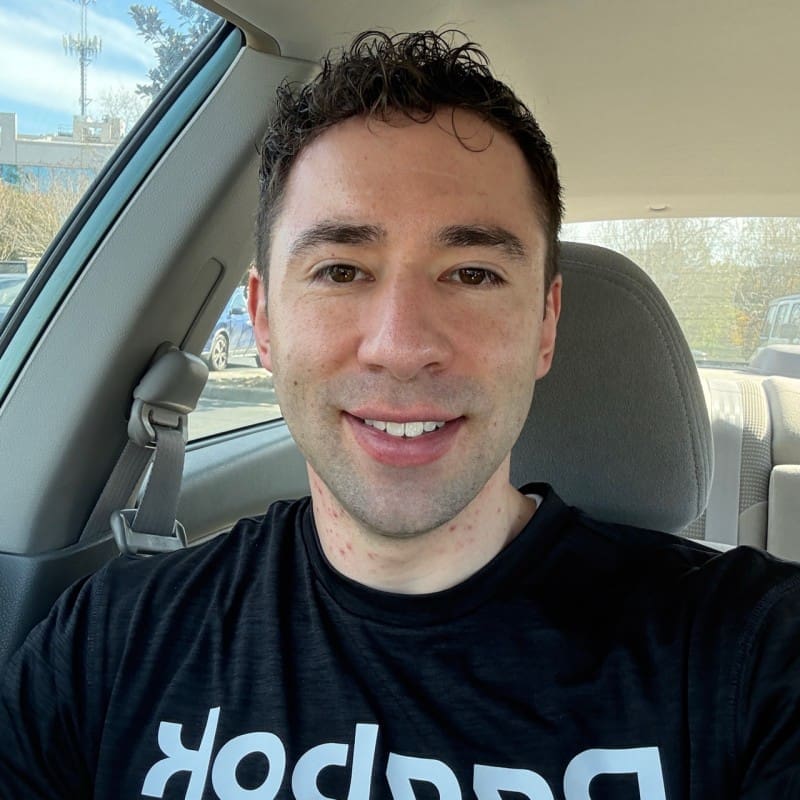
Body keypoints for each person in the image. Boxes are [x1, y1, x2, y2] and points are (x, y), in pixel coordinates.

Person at [1, 30, 799, 800]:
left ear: (546, 325)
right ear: (266, 321)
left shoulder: (750, 652)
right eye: (341, 269)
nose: (401, 345)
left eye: (474, 273)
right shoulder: (111, 642)